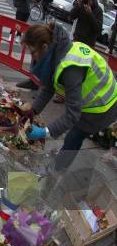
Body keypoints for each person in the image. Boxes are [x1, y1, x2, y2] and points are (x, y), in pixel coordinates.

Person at [22, 23, 117, 172]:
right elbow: (49, 87)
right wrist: (33, 111)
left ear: (45, 47)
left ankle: (56, 170)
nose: (31, 57)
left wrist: (45, 132)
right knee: (74, 135)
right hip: (98, 97)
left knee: (74, 137)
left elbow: (72, 115)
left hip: (104, 105)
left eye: (33, 52)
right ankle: (59, 164)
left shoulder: (70, 69)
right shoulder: (58, 52)